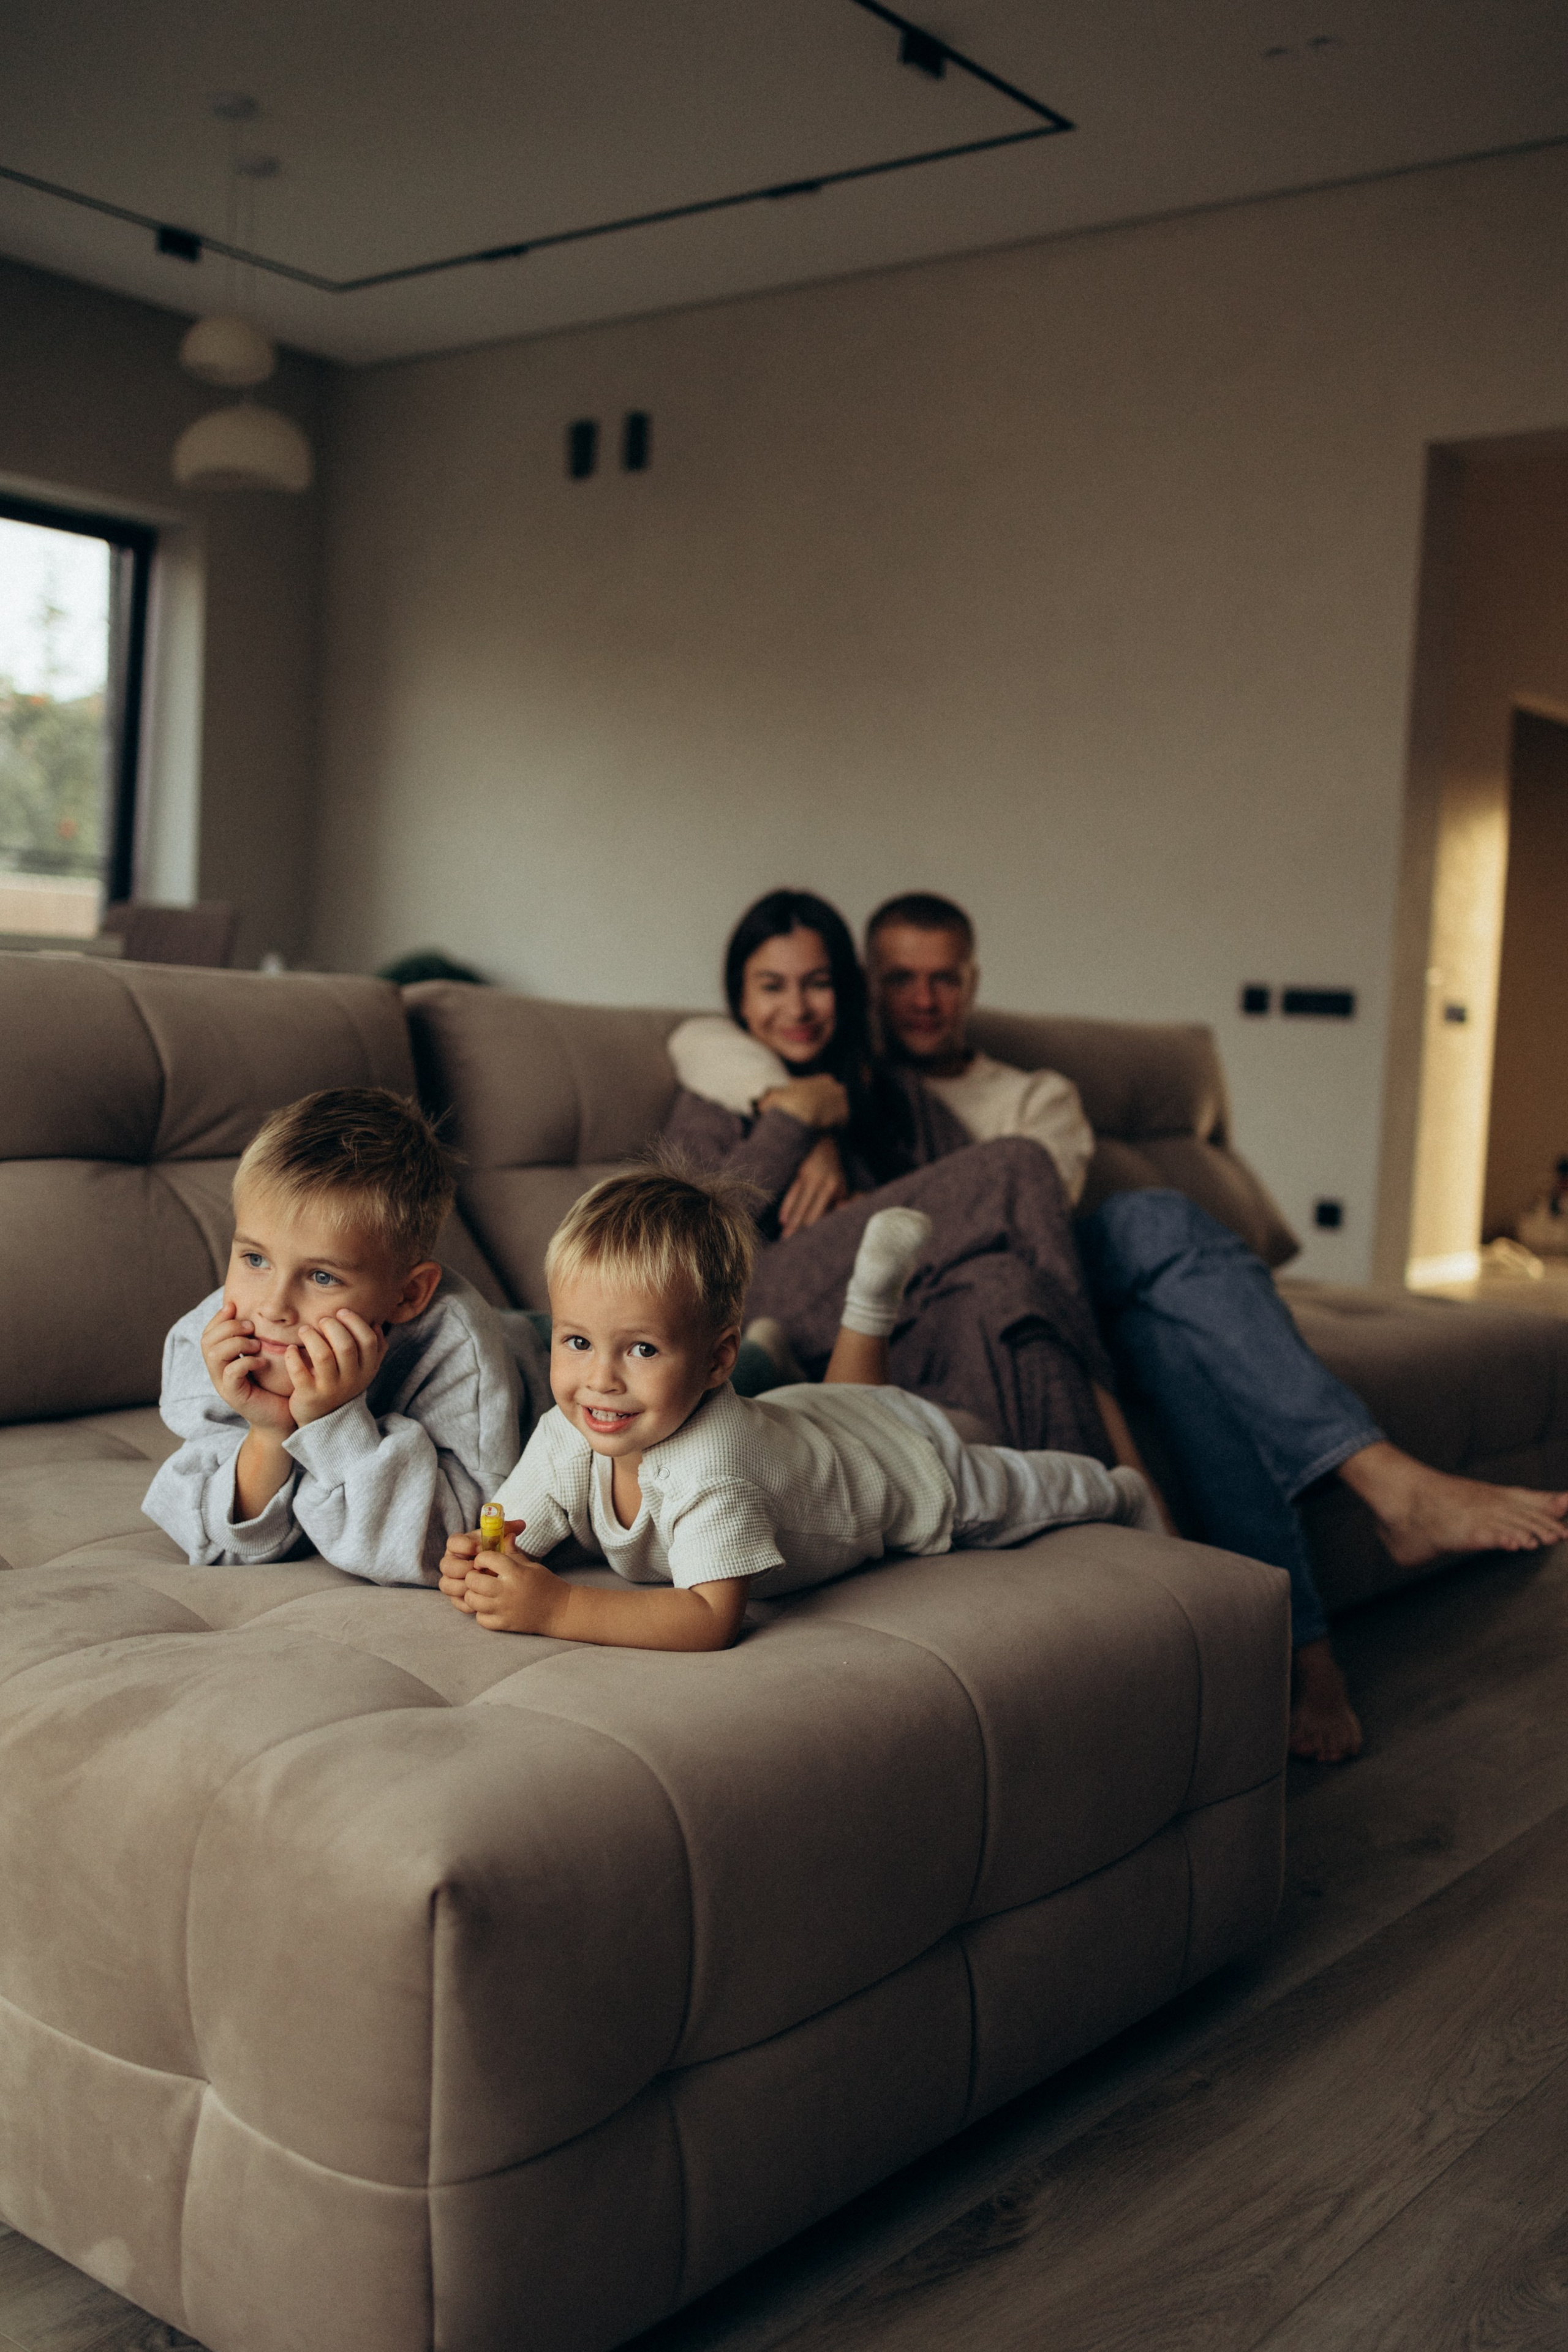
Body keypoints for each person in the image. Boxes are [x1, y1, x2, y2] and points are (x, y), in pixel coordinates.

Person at [862, 891, 1568, 1763]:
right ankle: (1332, 1608)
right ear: (870, 983)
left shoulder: (1034, 1094)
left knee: (1161, 1242)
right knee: (1174, 1306)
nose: (924, 1000)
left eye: (943, 978)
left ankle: (1343, 1569)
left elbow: (1033, 1211)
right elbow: (705, 1046)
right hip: (975, 1306)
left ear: (972, 981)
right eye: (901, 979)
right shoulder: (850, 1086)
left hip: (1065, 1275)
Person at [437, 1172, 1158, 1649]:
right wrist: (484, 1559)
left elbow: (710, 1617)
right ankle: (869, 1303)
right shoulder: (570, 1429)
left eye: (642, 1351)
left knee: (1006, 1483)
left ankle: (1113, 1486)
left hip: (904, 1467)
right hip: (806, 1418)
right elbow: (515, 1531)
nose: (599, 1380)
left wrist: (557, 1609)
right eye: (576, 1341)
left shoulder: (708, 1472)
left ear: (719, 1361)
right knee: (851, 1402)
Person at [658, 889, 1147, 1476]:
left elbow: (965, 1201)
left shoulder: (890, 1092)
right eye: (772, 986)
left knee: (1002, 1282)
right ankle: (1126, 1458)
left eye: (817, 982)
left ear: (848, 988)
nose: (798, 1008)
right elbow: (689, 1243)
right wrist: (798, 1123)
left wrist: (856, 1173)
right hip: (755, 1305)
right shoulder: (714, 1095)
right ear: (740, 995)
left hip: (891, 1314)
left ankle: (1084, 1509)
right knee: (1019, 1165)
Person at [143, 1085, 525, 1581]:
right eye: (255, 1259)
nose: (275, 1308)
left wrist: (335, 1421)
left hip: (527, 1345)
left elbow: (442, 1549)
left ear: (408, 1295)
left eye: (322, 1277)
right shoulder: (220, 1335)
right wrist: (270, 1432)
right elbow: (218, 1544)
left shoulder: (458, 1349)